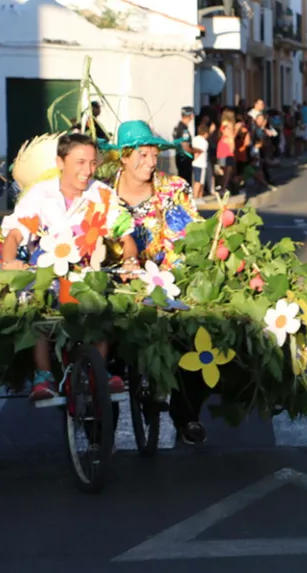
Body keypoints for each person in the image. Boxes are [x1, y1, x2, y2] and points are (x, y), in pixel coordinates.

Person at [1, 132, 139, 400]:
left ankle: (99, 369)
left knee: (104, 305)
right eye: (79, 162)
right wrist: (9, 262)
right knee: (37, 309)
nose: (87, 170)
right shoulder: (40, 194)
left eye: (92, 163)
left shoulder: (102, 193)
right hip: (47, 272)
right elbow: (15, 233)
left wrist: (131, 260)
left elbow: (125, 235)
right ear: (60, 162)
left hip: (90, 271)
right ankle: (43, 376)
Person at [99, 120, 208, 444]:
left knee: (196, 334)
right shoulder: (101, 191)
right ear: (123, 156)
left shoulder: (174, 188)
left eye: (154, 154)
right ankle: (101, 420)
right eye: (142, 154)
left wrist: (165, 277)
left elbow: (188, 236)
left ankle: (186, 414)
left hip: (168, 279)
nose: (150, 161)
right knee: (102, 338)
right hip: (115, 280)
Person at [173, 106, 197, 185]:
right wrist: (197, 152)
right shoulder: (183, 130)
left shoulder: (177, 127)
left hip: (179, 157)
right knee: (186, 183)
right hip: (184, 158)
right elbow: (185, 147)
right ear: (190, 115)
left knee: (182, 181)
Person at [191, 119, 210, 200]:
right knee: (199, 182)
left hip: (194, 164)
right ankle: (197, 197)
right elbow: (199, 152)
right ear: (205, 133)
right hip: (201, 164)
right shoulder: (204, 142)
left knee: (197, 180)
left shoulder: (194, 139)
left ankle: (198, 197)